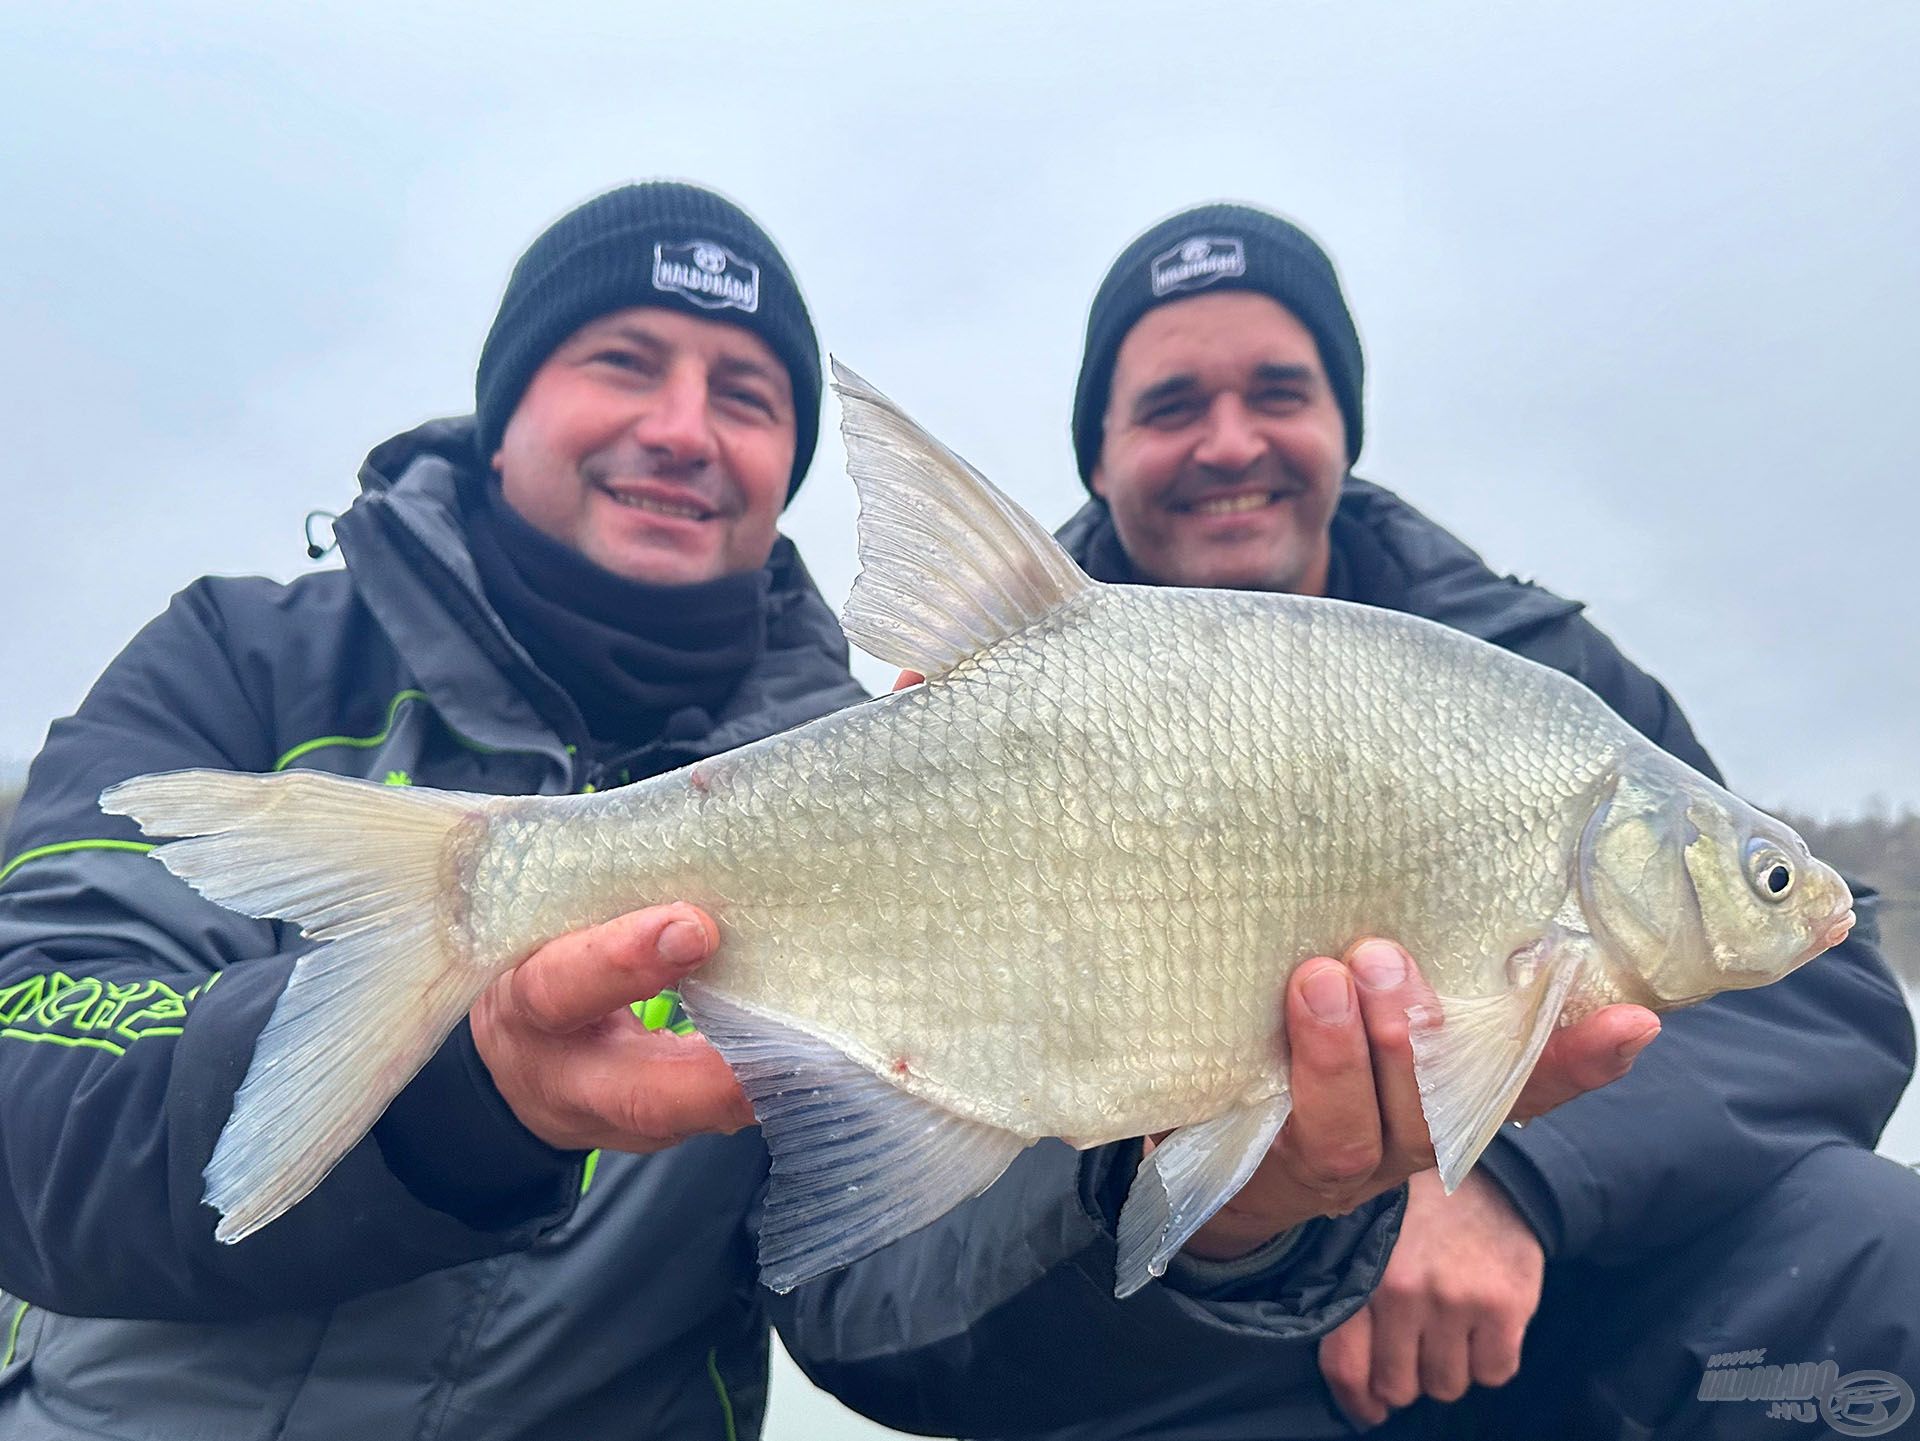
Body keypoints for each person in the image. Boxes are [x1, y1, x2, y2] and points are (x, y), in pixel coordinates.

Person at [0, 181, 1636, 1441]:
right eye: (622, 362)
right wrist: (458, 1091)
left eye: (746, 392)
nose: (679, 426)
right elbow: (24, 1084)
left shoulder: (902, 763)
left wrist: (1252, 1215)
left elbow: (877, 1308)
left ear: (792, 462)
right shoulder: (241, 659)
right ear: (506, 407)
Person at [1054, 201, 1920, 1438]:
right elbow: (876, 1302)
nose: (1230, 441)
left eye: (1280, 391)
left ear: (1343, 426)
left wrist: (1507, 1172)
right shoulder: (984, 711)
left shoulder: (1535, 679)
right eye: (1173, 404)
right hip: (1172, 1348)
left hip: (1531, 1320)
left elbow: (1825, 997)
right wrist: (1267, 1224)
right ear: (1099, 452)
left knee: (1872, 1244)